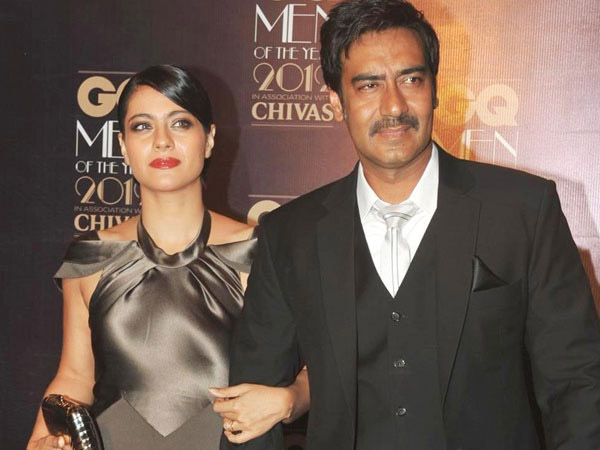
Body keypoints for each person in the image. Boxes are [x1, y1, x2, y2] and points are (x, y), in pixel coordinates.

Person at [224, 1, 600, 449]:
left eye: (411, 80)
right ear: (336, 101)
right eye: (369, 85)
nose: (394, 105)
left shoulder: (523, 210)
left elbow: (577, 383)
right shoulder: (290, 234)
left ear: (436, 89)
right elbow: (250, 404)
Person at [27, 65, 309, 450]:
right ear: (123, 145)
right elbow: (75, 376)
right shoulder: (90, 257)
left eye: (180, 123)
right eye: (142, 126)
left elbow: (323, 368)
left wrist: (290, 400)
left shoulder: (258, 251)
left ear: (209, 139)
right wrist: (41, 440)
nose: (162, 141)